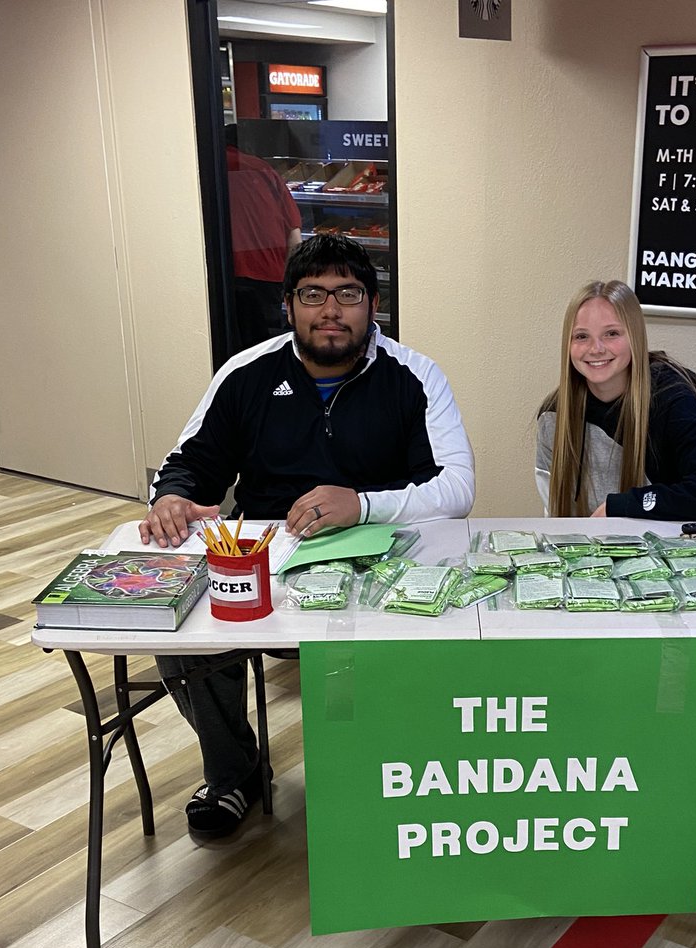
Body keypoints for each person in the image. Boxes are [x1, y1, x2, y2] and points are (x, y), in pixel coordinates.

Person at [139, 234, 475, 836]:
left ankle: (384, 772)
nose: (330, 310)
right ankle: (235, 772)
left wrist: (365, 504)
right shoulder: (245, 374)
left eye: (347, 293)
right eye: (313, 294)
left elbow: (457, 488)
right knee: (182, 628)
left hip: (380, 563)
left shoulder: (414, 375)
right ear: (288, 305)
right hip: (266, 560)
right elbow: (188, 463)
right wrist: (169, 499)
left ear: (373, 304)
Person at [535, 280, 696, 520]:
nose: (596, 348)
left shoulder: (673, 398)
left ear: (634, 337)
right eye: (581, 336)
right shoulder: (554, 415)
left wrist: (620, 506)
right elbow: (555, 515)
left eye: (611, 333)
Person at [225, 124, 303, 349]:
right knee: (267, 349)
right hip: (268, 275)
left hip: (227, 277)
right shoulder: (264, 170)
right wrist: (291, 285)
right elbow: (295, 238)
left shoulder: (208, 166)